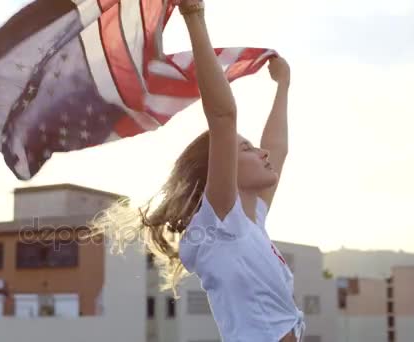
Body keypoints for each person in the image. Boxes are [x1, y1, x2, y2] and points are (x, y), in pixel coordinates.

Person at [91, 0, 303, 341]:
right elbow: (222, 117)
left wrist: (283, 85)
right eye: (247, 149)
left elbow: (278, 149)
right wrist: (194, 17)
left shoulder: (251, 223)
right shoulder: (222, 221)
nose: (263, 153)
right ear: (223, 168)